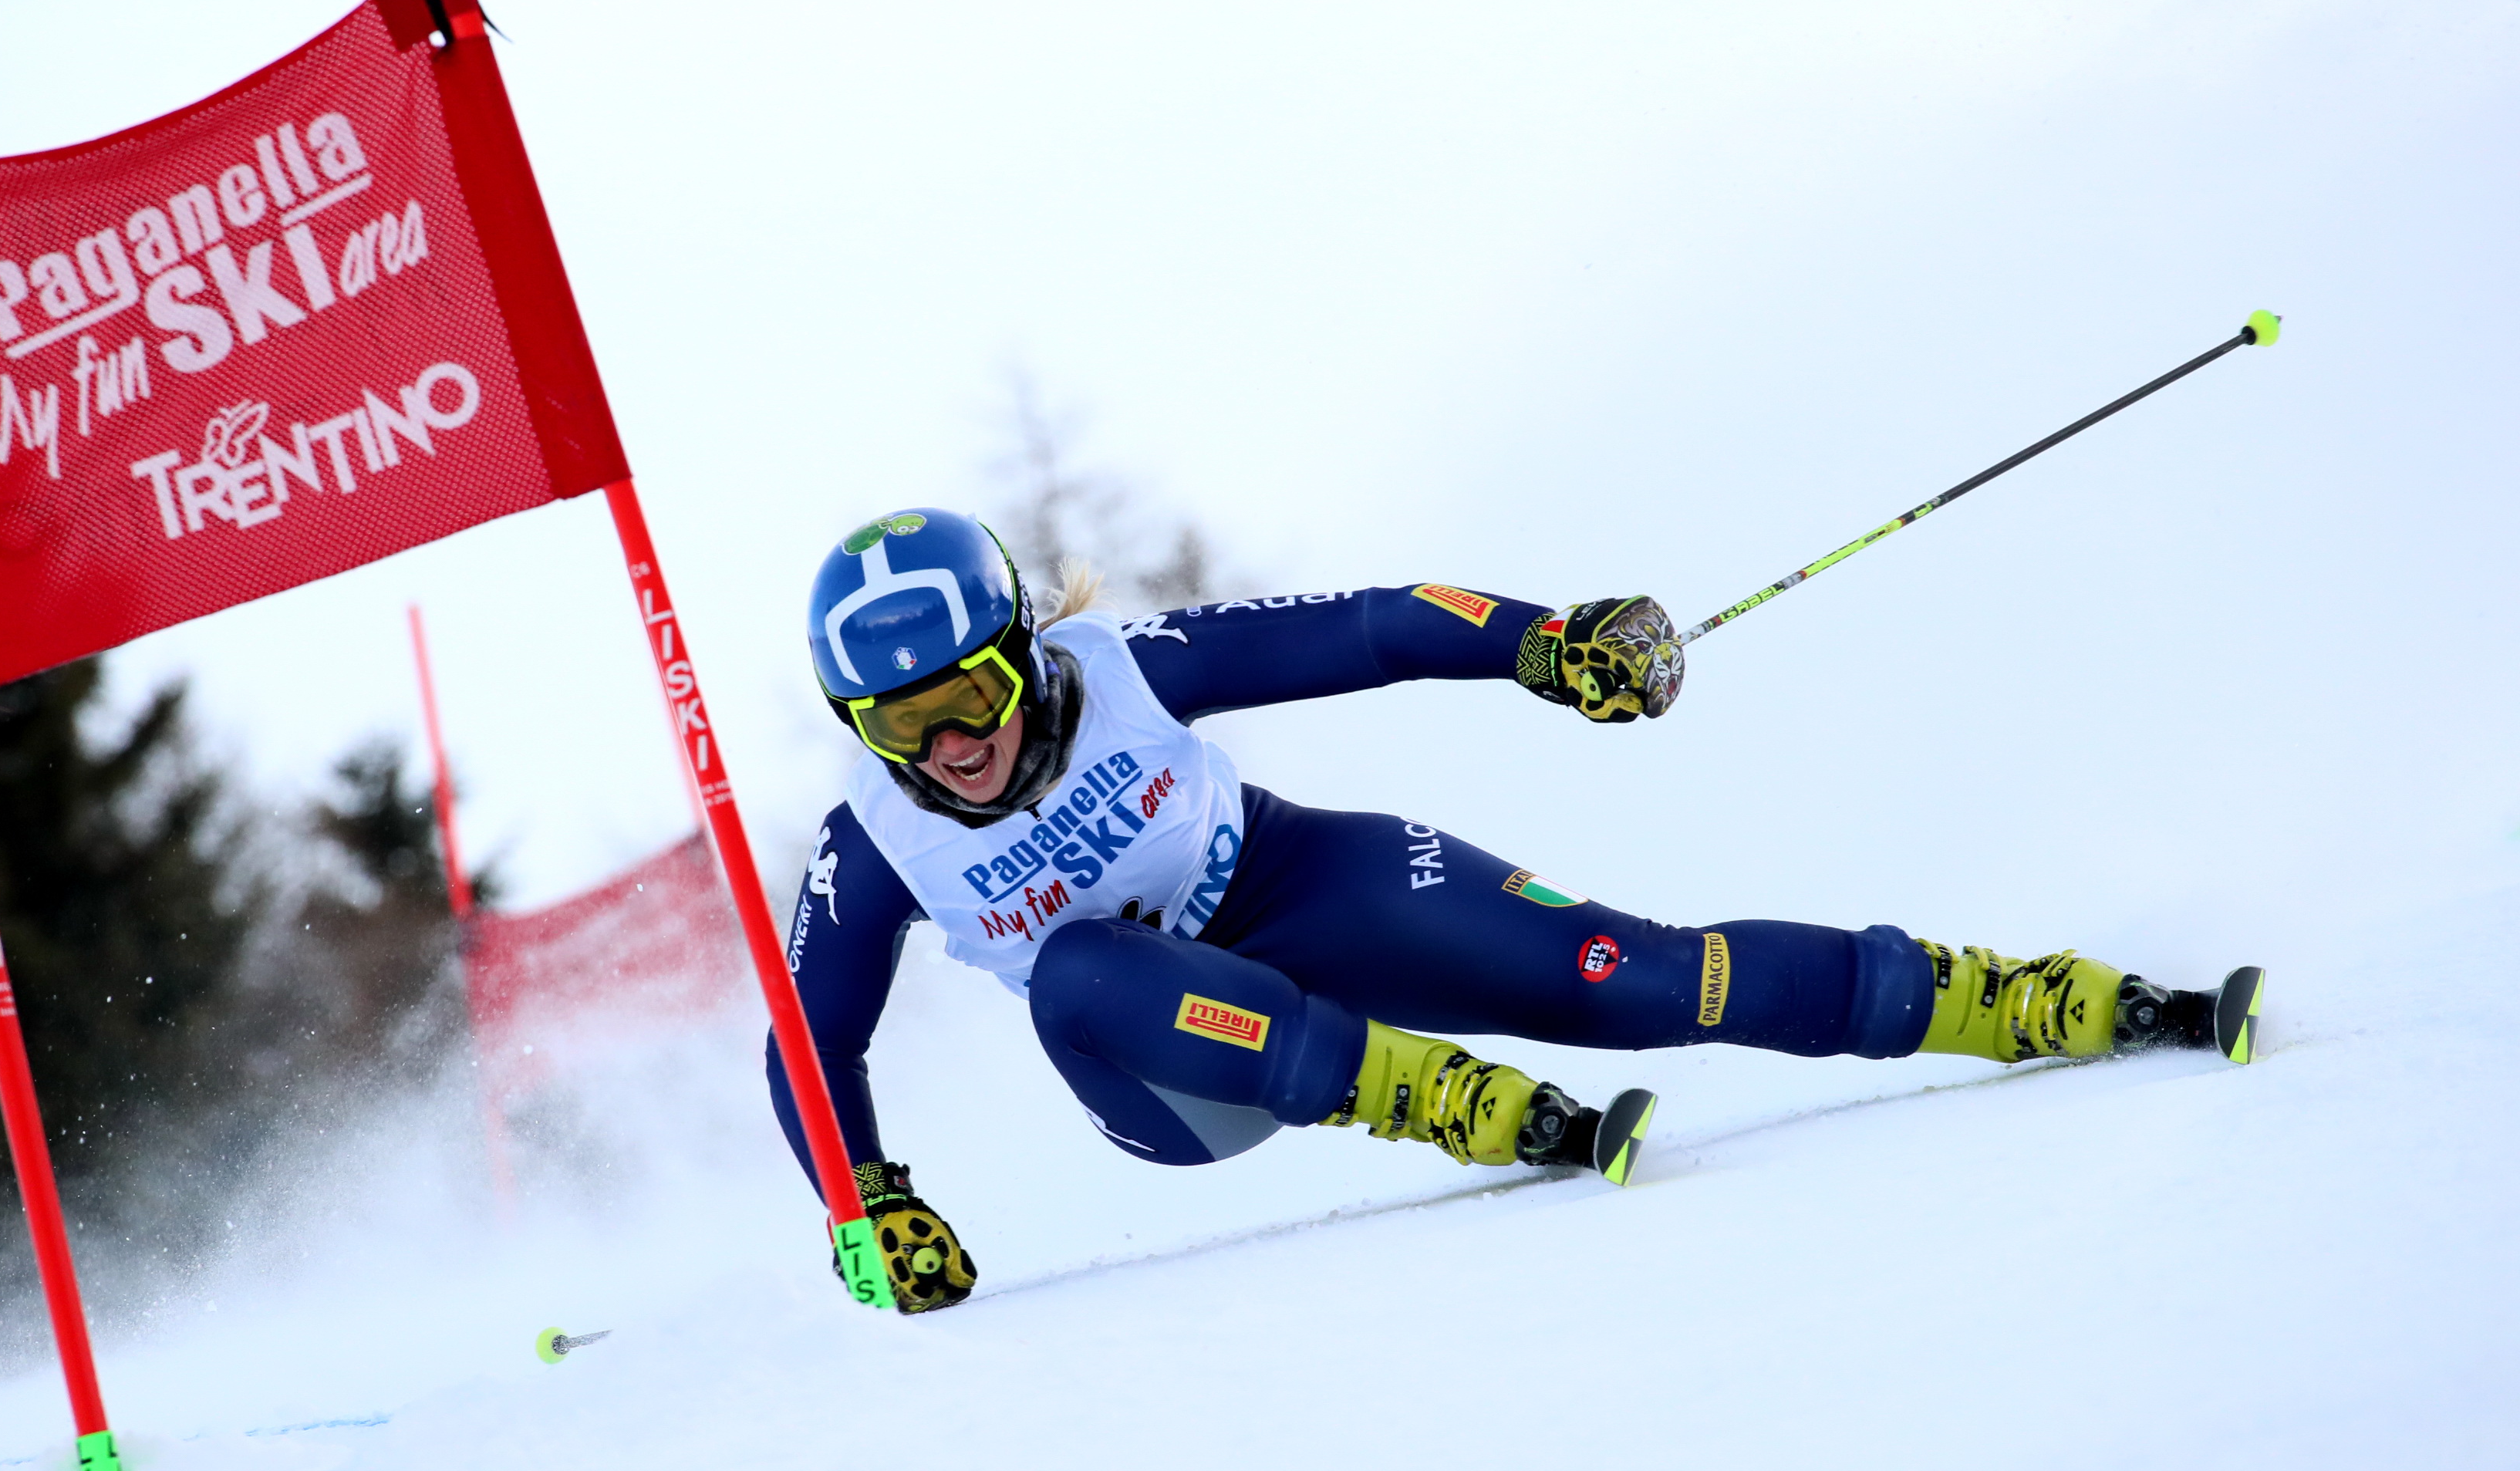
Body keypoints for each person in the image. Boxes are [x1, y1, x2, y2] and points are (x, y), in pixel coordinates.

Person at [767, 508, 2262, 1312]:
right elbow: (807, 1042)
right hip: (1171, 1070)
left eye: (967, 697)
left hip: (1292, 887)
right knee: (1079, 970)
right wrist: (867, 1208)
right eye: (902, 727)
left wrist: (1551, 645)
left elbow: (1370, 626)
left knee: (1640, 976)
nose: (949, 746)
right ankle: (1435, 1097)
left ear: (1021, 658)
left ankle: (2028, 998)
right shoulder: (878, 835)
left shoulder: (1127, 664)